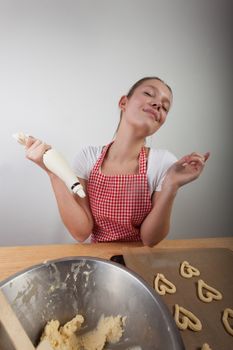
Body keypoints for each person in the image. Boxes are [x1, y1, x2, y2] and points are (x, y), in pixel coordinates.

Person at [25, 76, 209, 246]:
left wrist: (171, 186)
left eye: (165, 106)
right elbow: (81, 232)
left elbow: (150, 239)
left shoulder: (163, 162)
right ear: (123, 103)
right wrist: (52, 172)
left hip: (140, 260)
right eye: (148, 93)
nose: (157, 104)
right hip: (98, 260)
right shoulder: (88, 157)